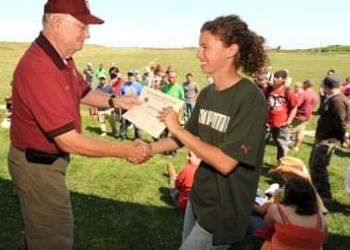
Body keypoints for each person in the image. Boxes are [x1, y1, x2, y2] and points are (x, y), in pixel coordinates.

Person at [8, 0, 151, 249]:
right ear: (57, 24)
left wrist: (115, 101)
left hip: (46, 163)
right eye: (82, 26)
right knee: (54, 239)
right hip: (39, 167)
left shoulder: (63, 59)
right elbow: (69, 141)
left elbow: (82, 91)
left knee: (41, 234)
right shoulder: (40, 69)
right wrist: (125, 150)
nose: (88, 34)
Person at [149, 14, 268, 249]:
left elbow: (225, 162)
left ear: (231, 50)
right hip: (199, 197)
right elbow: (184, 137)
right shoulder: (207, 93)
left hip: (224, 207)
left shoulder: (250, 98)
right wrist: (148, 149)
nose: (198, 53)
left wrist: (176, 128)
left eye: (205, 47)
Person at [309, 74, 350, 204]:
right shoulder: (332, 98)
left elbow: (340, 121)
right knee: (314, 165)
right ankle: (315, 190)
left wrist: (343, 137)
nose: (322, 87)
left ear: (328, 86)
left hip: (328, 139)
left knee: (319, 166)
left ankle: (325, 197)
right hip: (323, 137)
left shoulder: (337, 101)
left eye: (323, 85)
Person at [262, 177, 327, 250]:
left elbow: (268, 225)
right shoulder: (320, 216)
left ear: (288, 194)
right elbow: (324, 239)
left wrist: (276, 201)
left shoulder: (277, 210)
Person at [265, 69, 298, 162]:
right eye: (274, 77)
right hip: (267, 123)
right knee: (261, 143)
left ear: (283, 80)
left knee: (282, 146)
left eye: (277, 77)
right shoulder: (269, 89)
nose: (275, 79)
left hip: (281, 124)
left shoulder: (288, 91)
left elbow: (294, 107)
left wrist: (288, 121)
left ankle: (281, 165)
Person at [289, 79, 318, 151]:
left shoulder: (303, 94)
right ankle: (296, 147)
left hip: (298, 116)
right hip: (307, 117)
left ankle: (284, 144)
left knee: (287, 130)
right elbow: (314, 106)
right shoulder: (316, 95)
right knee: (300, 132)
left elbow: (296, 105)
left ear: (306, 85)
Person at [117, 69, 143, 141]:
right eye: (129, 75)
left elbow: (142, 97)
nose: (130, 77)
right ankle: (122, 136)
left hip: (135, 108)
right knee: (124, 122)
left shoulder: (139, 86)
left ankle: (138, 138)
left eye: (131, 75)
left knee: (137, 125)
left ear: (135, 76)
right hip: (125, 108)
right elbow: (120, 95)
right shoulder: (124, 85)